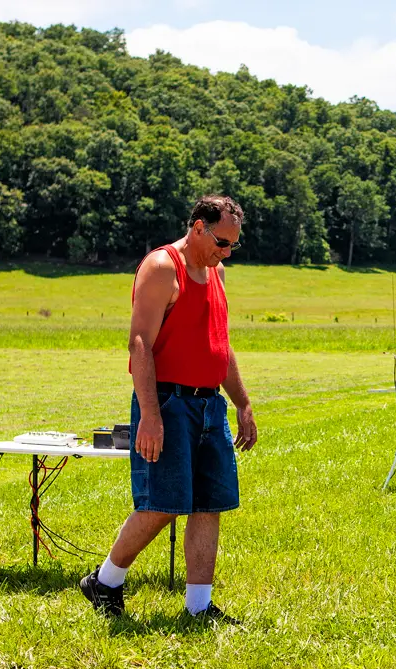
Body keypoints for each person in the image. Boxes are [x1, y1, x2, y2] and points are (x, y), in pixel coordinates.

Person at [80, 195, 257, 622]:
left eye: (233, 245)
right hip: (167, 401)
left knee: (208, 504)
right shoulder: (161, 268)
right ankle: (104, 581)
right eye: (221, 242)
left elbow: (221, 344)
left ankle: (198, 608)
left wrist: (243, 403)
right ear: (198, 227)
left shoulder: (217, 273)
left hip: (208, 404)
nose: (226, 252)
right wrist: (151, 415)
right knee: (162, 503)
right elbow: (139, 343)